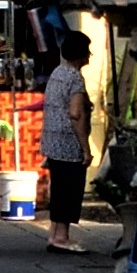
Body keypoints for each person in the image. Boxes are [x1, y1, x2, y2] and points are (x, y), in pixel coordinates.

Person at [34, 32, 94, 256]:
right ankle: (62, 236)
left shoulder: (57, 73)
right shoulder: (75, 78)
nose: (89, 56)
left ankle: (55, 233)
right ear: (81, 54)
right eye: (87, 51)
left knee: (59, 187)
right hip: (68, 142)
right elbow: (76, 114)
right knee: (70, 189)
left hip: (52, 140)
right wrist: (85, 149)